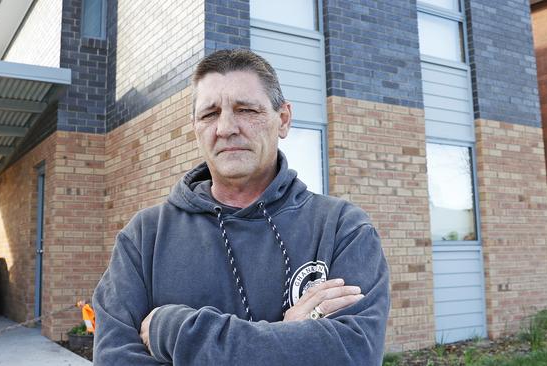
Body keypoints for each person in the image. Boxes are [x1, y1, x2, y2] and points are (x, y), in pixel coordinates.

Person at [92, 49, 390, 365]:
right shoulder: (143, 237)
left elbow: (353, 354)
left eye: (246, 109)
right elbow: (115, 358)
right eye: (209, 114)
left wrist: (176, 331)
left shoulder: (343, 228)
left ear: (283, 119)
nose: (226, 128)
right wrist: (288, 340)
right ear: (195, 128)